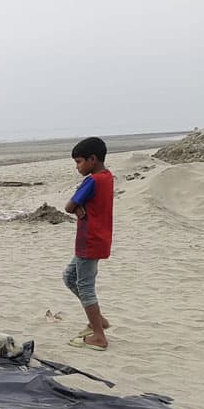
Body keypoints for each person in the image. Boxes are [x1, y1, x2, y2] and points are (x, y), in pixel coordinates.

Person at [63, 137, 114, 351]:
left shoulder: (92, 181)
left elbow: (68, 206)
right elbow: (78, 206)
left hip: (89, 240)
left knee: (85, 287)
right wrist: (78, 207)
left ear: (92, 160)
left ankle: (99, 336)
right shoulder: (107, 176)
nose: (77, 167)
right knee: (69, 277)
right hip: (96, 238)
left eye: (79, 162)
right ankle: (98, 320)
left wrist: (76, 206)